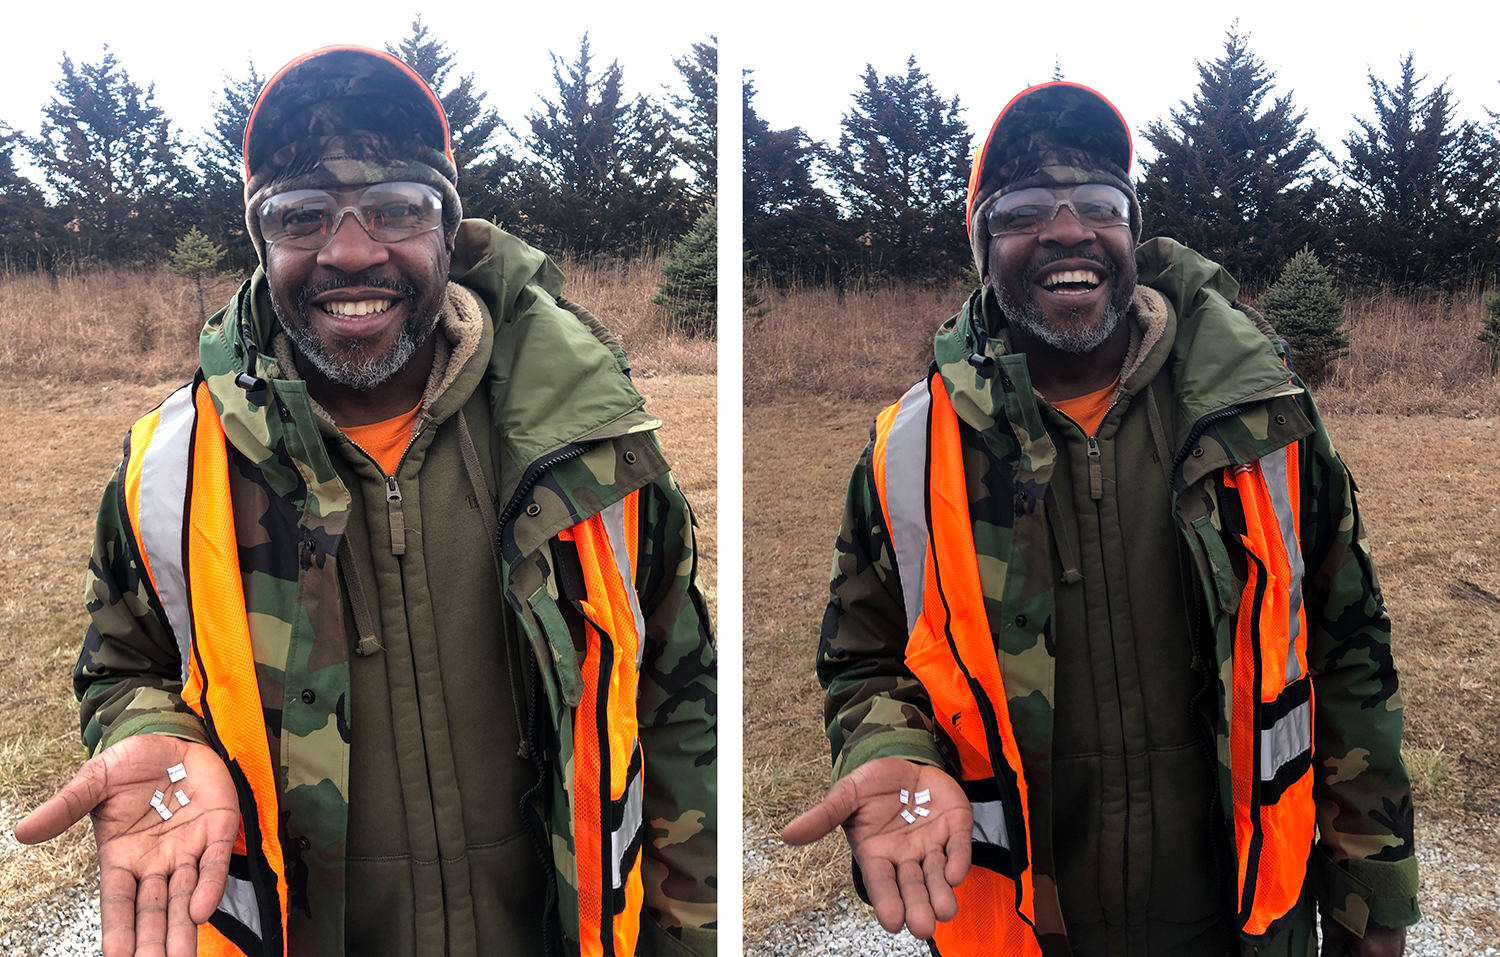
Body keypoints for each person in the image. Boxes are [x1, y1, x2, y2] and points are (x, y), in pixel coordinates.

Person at [16, 45, 716, 957]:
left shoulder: (588, 444)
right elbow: (124, 664)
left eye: (395, 208)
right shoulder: (171, 469)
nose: (351, 251)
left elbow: (675, 693)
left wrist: (690, 934)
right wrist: (153, 726)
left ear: (448, 229)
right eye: (303, 216)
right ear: (262, 242)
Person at [782, 82, 1416, 957]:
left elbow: (1349, 654)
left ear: (1131, 235)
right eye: (1024, 211)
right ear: (983, 249)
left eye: (1100, 205)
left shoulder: (1257, 421)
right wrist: (887, 742)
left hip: (1244, 928)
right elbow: (863, 657)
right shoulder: (910, 451)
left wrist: (1374, 899)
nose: (1069, 230)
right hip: (1023, 934)